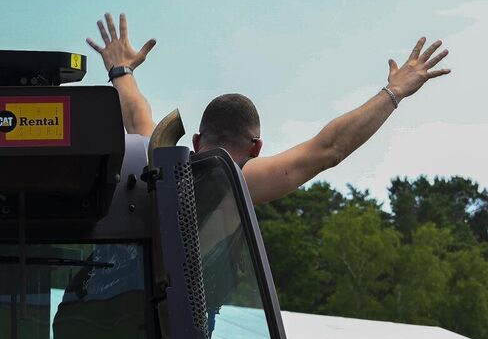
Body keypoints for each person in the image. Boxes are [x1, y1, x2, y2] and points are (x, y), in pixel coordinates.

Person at [87, 12, 450, 204]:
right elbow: (328, 150)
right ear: (257, 148)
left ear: (197, 140)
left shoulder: (157, 165)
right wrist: (394, 92)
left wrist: (122, 71)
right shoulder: (230, 183)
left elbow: (137, 118)